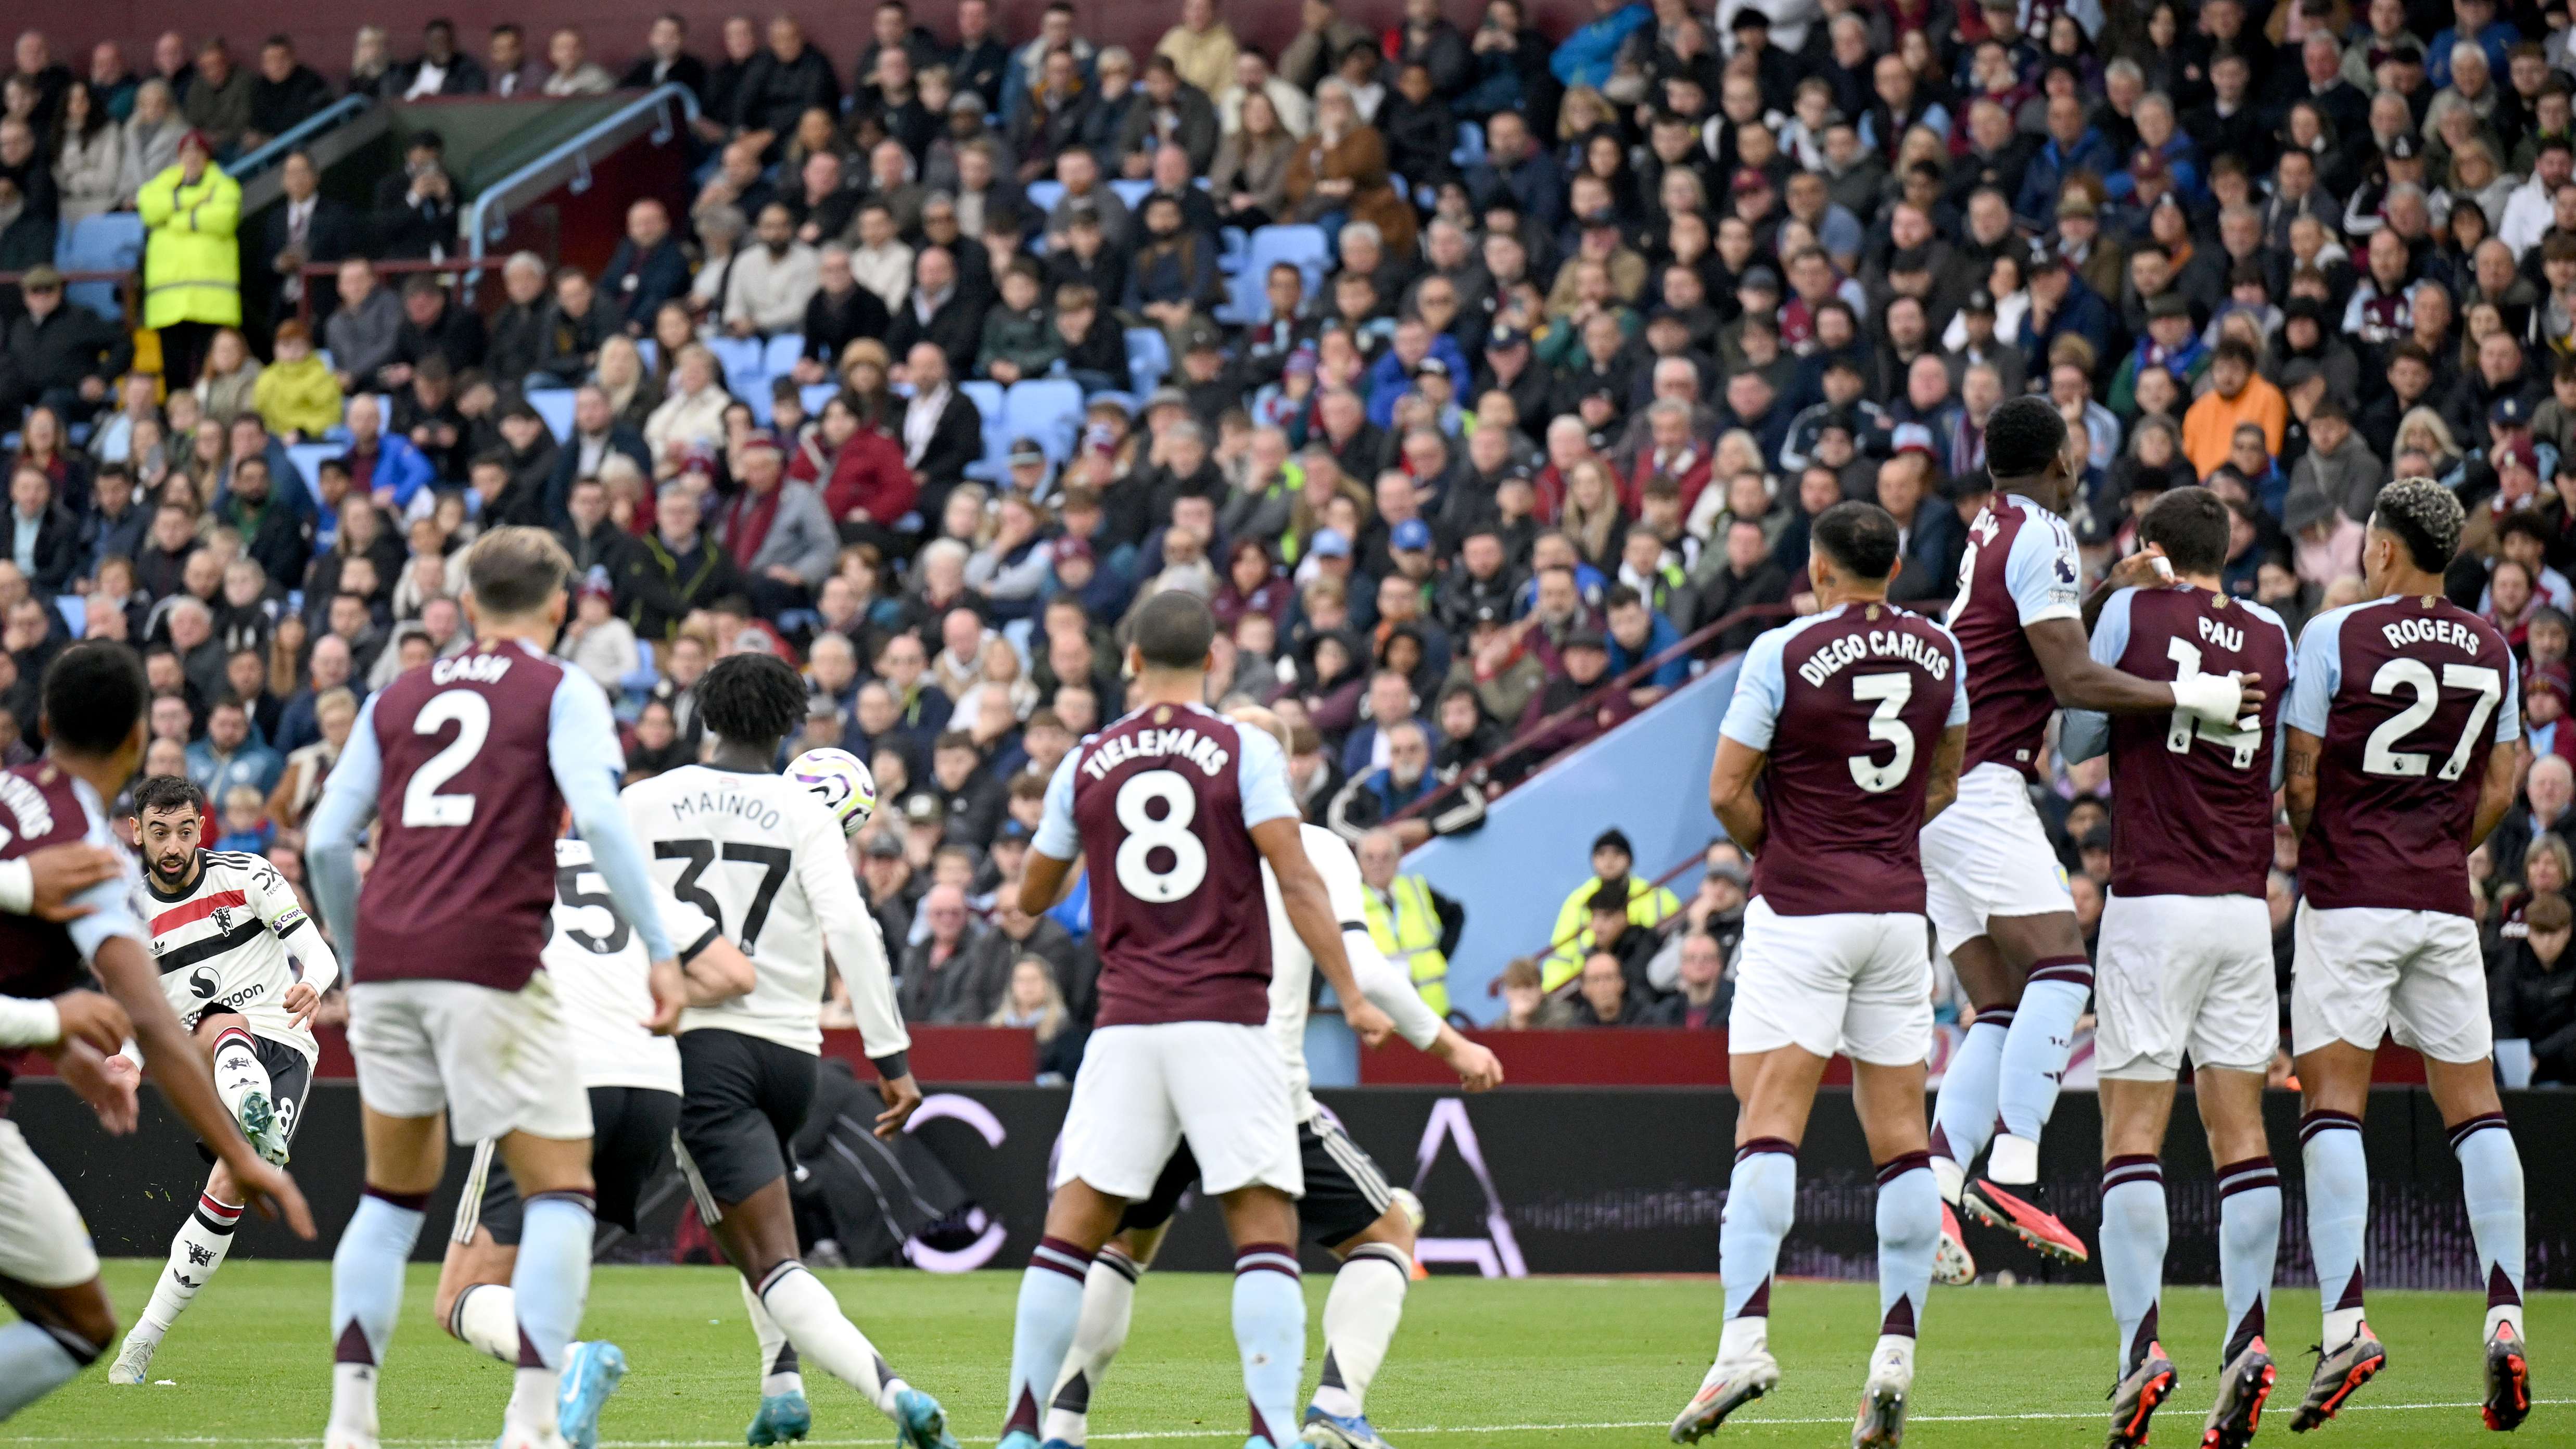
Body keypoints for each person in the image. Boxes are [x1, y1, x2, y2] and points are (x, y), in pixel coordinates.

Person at [304, 528, 686, 1449]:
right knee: (558, 1189)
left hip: (392, 958)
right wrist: (663, 951)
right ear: (559, 607)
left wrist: (358, 962)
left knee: (390, 1201)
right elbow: (596, 815)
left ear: (464, 603)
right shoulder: (562, 688)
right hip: (495, 958)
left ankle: (350, 1420)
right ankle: (531, 1419)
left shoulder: (397, 692)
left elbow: (324, 842)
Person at [1038, 703, 1501, 1449]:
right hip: (1253, 1085)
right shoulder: (1314, 847)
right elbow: (1363, 967)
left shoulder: (1164, 845)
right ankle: (1331, 1409)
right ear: (1289, 768)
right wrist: (1452, 1046)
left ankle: (1058, 1423)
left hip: (1148, 1078)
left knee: (1120, 1249)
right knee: (1382, 1235)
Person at [1000, 591, 1395, 1449]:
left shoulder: (1088, 757)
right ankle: (1270, 1430)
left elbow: (1031, 895)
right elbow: (1295, 879)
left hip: (1125, 1021)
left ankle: (1023, 1426)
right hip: (1225, 1017)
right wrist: (1352, 992)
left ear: (1130, 659)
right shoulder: (1242, 747)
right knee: (1262, 1232)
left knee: (1071, 1234)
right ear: (1213, 657)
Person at [1924, 396, 2251, 1272]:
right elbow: (2068, 677)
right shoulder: (2044, 531)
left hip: (1937, 795)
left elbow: (2025, 637)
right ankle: (2012, 1162)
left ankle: (1935, 1180)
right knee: (2064, 965)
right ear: (2062, 460)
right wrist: (2194, 695)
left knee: (1997, 1001)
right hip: (1979, 779)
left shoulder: (1991, 523)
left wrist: (2108, 588)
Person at [1678, 501, 1967, 1443]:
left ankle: (1741, 1342)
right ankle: (1894, 1350)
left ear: (1817, 567)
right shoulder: (1941, 650)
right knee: (1898, 1134)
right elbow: (1943, 782)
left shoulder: (1782, 650)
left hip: (1801, 908)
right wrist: (1875, 844)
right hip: (1895, 913)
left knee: (1763, 1116)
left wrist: (1790, 844)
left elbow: (1726, 788)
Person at [621, 652, 953, 1448]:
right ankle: (781, 1387)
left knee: (766, 1251)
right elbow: (854, 932)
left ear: (704, 715)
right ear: (788, 727)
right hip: (790, 1057)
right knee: (750, 1220)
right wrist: (892, 1059)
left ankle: (894, 1393)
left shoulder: (642, 800)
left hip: (700, 1048)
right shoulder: (803, 812)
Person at [0, 642, 312, 1427]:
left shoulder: (22, 802)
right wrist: (53, 1023)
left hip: (265, 1036)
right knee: (79, 1324)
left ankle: (141, 1340)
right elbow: (154, 1026)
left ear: (42, 723)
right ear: (139, 739)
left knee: (87, 1322)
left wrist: (68, 1050)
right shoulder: (95, 867)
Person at [2278, 477, 2530, 1433]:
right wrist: (2434, 846)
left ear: (2380, 548)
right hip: (2437, 896)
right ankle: (2504, 1313)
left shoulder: (2333, 634)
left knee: (2330, 1103)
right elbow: (2501, 783)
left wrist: (2335, 839)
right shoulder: (2492, 644)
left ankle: (2345, 1320)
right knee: (2474, 1107)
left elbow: (2299, 778)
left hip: (2349, 894)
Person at [2057, 488, 2294, 1448]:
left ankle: (2139, 1347)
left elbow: (2074, 734)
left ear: (2152, 550)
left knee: (2132, 1128)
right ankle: (2245, 1339)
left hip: (2151, 898)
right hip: (2242, 905)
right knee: (2239, 1127)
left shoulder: (2129, 609)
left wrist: (2105, 604)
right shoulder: (2275, 629)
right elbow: (2272, 766)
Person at [434, 838, 756, 1402]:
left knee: (462, 1295)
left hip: (557, 1078)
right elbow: (734, 974)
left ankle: (567, 1360)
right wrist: (654, 999)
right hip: (651, 1088)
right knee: (555, 1260)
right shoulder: (620, 866)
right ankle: (536, 1428)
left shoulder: (495, 860)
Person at [108, 773, 342, 1383]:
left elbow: (321, 955)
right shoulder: (130, 914)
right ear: (138, 833)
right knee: (216, 1020)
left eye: (185, 831)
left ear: (201, 828)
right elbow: (145, 1010)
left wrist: (311, 986)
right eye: (159, 833)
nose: (173, 846)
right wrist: (131, 1060)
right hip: (205, 1045)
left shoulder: (248, 875)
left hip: (286, 1038)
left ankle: (143, 1338)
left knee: (231, 1188)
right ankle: (253, 1112)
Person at [136, 128, 240, 387]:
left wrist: (175, 217)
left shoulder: (225, 185)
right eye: (186, 153)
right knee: (174, 376)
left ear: (207, 157)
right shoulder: (160, 185)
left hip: (212, 303)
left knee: (214, 376)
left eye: (198, 153)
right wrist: (193, 205)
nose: (192, 158)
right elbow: (148, 208)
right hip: (169, 304)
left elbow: (224, 219)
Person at [1355, 824, 1461, 1018]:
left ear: (1398, 860)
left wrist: (1440, 956)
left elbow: (1456, 914)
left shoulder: (1416, 889)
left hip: (1433, 1010)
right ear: (1359, 862)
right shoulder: (1351, 900)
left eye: (1386, 857)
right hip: (1384, 1016)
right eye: (1370, 858)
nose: (1378, 864)